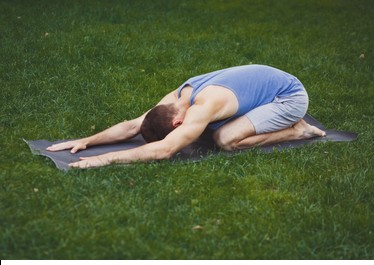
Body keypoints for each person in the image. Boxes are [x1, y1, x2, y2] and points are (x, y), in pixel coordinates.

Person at [47, 64, 325, 168]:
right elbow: (133, 126)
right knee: (210, 132)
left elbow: (165, 150)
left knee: (225, 139)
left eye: (180, 131)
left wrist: (104, 159)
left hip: (288, 96)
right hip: (265, 85)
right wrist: (87, 141)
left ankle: (297, 130)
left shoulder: (204, 107)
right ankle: (281, 122)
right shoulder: (174, 100)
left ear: (177, 123)